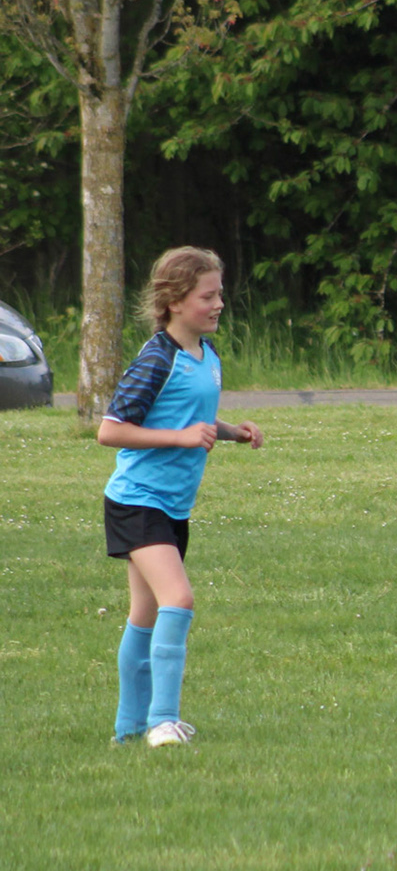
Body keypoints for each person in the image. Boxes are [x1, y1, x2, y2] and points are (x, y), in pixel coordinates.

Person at [99, 247, 264, 748]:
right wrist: (181, 438)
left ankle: (127, 729)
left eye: (220, 295)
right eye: (207, 296)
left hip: (172, 505)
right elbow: (110, 431)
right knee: (180, 599)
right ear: (174, 301)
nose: (218, 305)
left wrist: (232, 432)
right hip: (137, 501)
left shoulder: (206, 356)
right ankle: (163, 722)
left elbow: (191, 420)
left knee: (145, 616)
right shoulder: (156, 359)